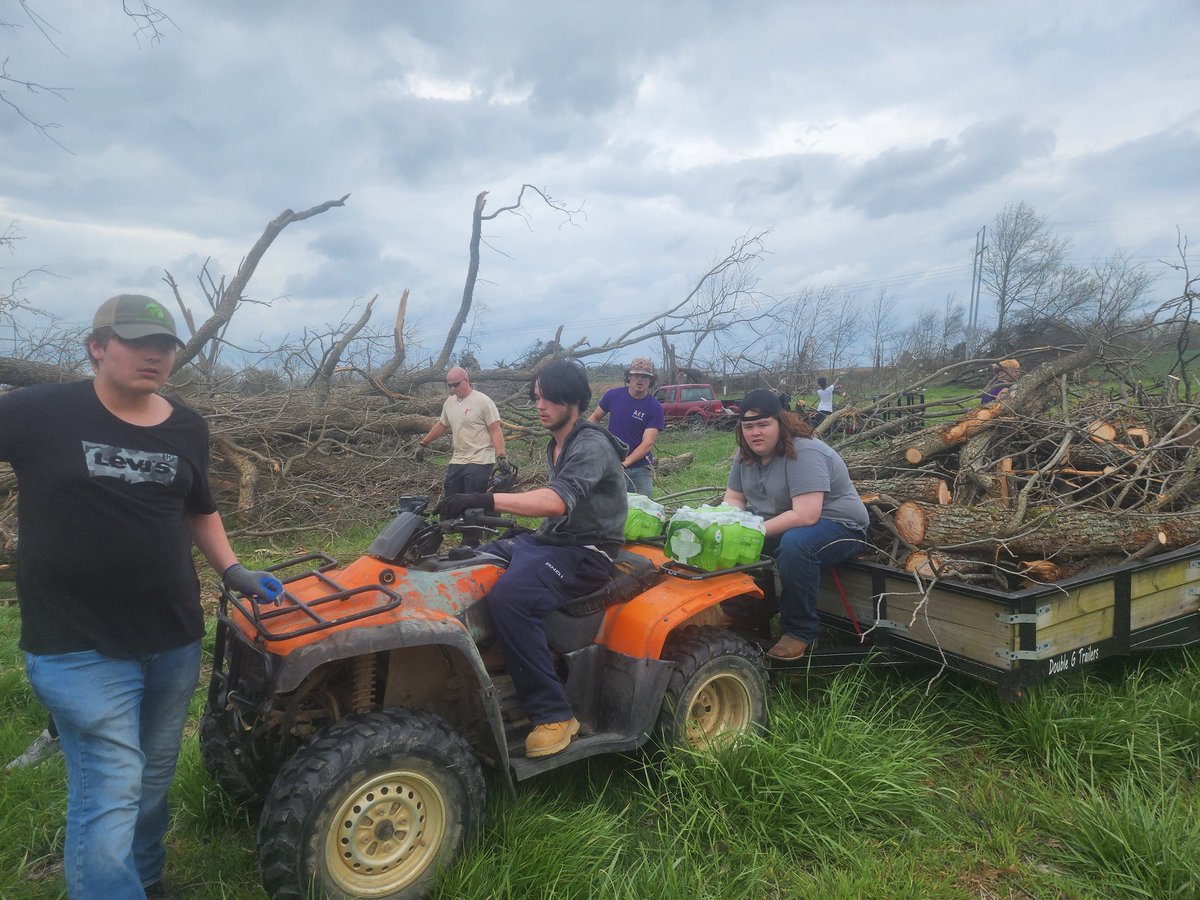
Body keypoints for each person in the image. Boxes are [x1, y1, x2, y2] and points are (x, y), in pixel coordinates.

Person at [0, 294, 282, 899]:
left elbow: (200, 508)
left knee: (152, 776)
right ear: (97, 346)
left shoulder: (186, 425)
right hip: (77, 643)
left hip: (171, 637)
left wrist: (233, 570)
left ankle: (146, 877)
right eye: (136, 342)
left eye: (164, 346)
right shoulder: (37, 411)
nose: (154, 355)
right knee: (112, 785)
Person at [437, 359, 627, 758]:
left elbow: (556, 501)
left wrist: (485, 498)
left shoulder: (591, 444)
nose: (540, 406)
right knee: (467, 563)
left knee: (512, 598)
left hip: (587, 552)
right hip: (552, 542)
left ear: (573, 400)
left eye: (549, 398)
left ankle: (554, 713)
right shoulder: (557, 441)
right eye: (537, 397)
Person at [723, 389, 868, 661]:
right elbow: (734, 498)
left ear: (780, 422)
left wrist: (751, 531)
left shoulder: (803, 451)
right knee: (730, 542)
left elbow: (806, 515)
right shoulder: (744, 456)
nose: (755, 432)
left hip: (839, 525)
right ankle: (744, 617)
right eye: (748, 426)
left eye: (763, 424)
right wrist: (730, 526)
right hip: (787, 522)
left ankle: (799, 631)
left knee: (796, 545)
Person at [416, 366, 510, 545]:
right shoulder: (450, 403)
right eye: (449, 385)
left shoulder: (483, 401)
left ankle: (473, 541)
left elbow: (495, 430)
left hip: (481, 458)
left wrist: (501, 456)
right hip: (458, 458)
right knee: (451, 498)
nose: (453, 389)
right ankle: (451, 531)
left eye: (456, 384)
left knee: (472, 501)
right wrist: (423, 443)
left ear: (466, 381)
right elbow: (441, 425)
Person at [587, 356, 664, 497]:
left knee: (643, 506)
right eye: (636, 376)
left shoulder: (654, 407)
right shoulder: (612, 396)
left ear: (650, 380)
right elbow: (595, 418)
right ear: (629, 377)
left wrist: (625, 463)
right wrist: (581, 435)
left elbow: (647, 443)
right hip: (613, 464)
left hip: (641, 468)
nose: (640, 380)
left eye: (644, 377)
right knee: (613, 505)